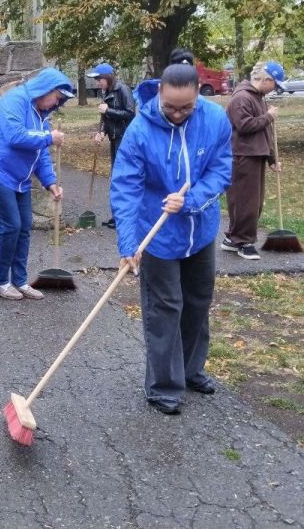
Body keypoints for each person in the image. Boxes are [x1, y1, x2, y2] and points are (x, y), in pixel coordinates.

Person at [109, 64, 232, 415]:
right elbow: (126, 188)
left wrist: (191, 200)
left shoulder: (214, 120)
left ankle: (191, 369)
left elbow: (221, 169)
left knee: (197, 300)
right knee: (165, 307)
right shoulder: (140, 131)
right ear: (159, 93)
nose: (178, 114)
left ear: (197, 96)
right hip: (157, 232)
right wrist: (128, 245)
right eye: (171, 107)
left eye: (186, 108)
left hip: (200, 229)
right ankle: (163, 385)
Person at [0, 68, 75, 301]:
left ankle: (19, 281)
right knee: (11, 225)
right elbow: (15, 136)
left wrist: (51, 183)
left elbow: (42, 155)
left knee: (24, 226)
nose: (56, 104)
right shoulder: (14, 100)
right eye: (57, 98)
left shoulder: (42, 116)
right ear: (46, 90)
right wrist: (49, 138)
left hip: (19, 179)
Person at [222, 61, 284, 261]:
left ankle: (233, 239)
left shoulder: (258, 97)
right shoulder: (241, 98)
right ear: (266, 79)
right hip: (242, 156)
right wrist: (268, 116)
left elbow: (265, 132)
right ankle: (244, 242)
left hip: (256, 154)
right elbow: (245, 125)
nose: (275, 88)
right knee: (245, 201)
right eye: (275, 83)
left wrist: (272, 158)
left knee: (254, 201)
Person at [89, 63, 135, 227]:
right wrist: (102, 132)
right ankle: (117, 216)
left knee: (122, 178)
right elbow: (105, 119)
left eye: (98, 79)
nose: (97, 83)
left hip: (125, 140)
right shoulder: (106, 92)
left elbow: (130, 114)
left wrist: (108, 111)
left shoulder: (123, 90)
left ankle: (123, 218)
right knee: (116, 178)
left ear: (107, 77)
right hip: (115, 138)